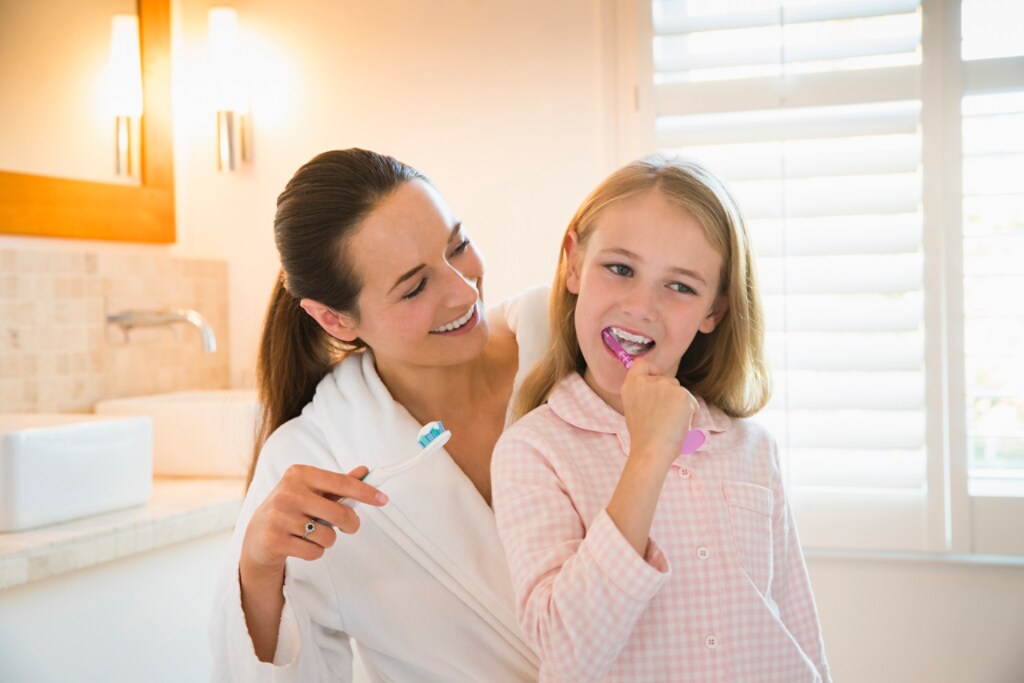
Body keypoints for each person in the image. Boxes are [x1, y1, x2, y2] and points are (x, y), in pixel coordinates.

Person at [209, 148, 549, 681]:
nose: (464, 291)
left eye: (457, 246)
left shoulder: (570, 345)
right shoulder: (314, 455)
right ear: (335, 319)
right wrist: (257, 571)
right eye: (415, 287)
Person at [491, 155, 831, 682]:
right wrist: (648, 453)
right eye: (620, 269)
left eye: (681, 287)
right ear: (574, 262)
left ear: (713, 311)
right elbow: (566, 652)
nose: (640, 305)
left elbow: (797, 627)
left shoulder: (752, 449)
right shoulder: (534, 452)